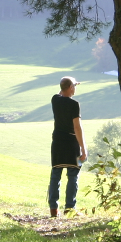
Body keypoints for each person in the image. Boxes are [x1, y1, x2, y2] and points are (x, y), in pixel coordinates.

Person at [48, 76, 87, 217]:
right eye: (74, 86)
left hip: (57, 142)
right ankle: (70, 209)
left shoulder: (55, 100)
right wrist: (83, 148)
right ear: (70, 88)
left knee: (56, 175)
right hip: (72, 143)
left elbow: (60, 92)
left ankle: (53, 208)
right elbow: (77, 127)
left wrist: (68, 84)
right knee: (73, 175)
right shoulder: (74, 104)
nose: (75, 88)